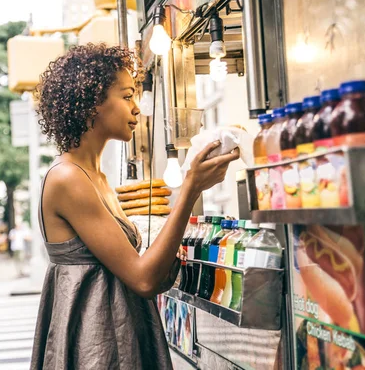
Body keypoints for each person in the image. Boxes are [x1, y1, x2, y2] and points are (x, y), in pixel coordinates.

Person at [30, 43, 239, 369]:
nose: (137, 109)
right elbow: (144, 279)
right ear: (91, 102)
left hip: (115, 331)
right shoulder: (68, 178)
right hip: (96, 343)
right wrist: (189, 189)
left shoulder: (95, 175)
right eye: (127, 96)